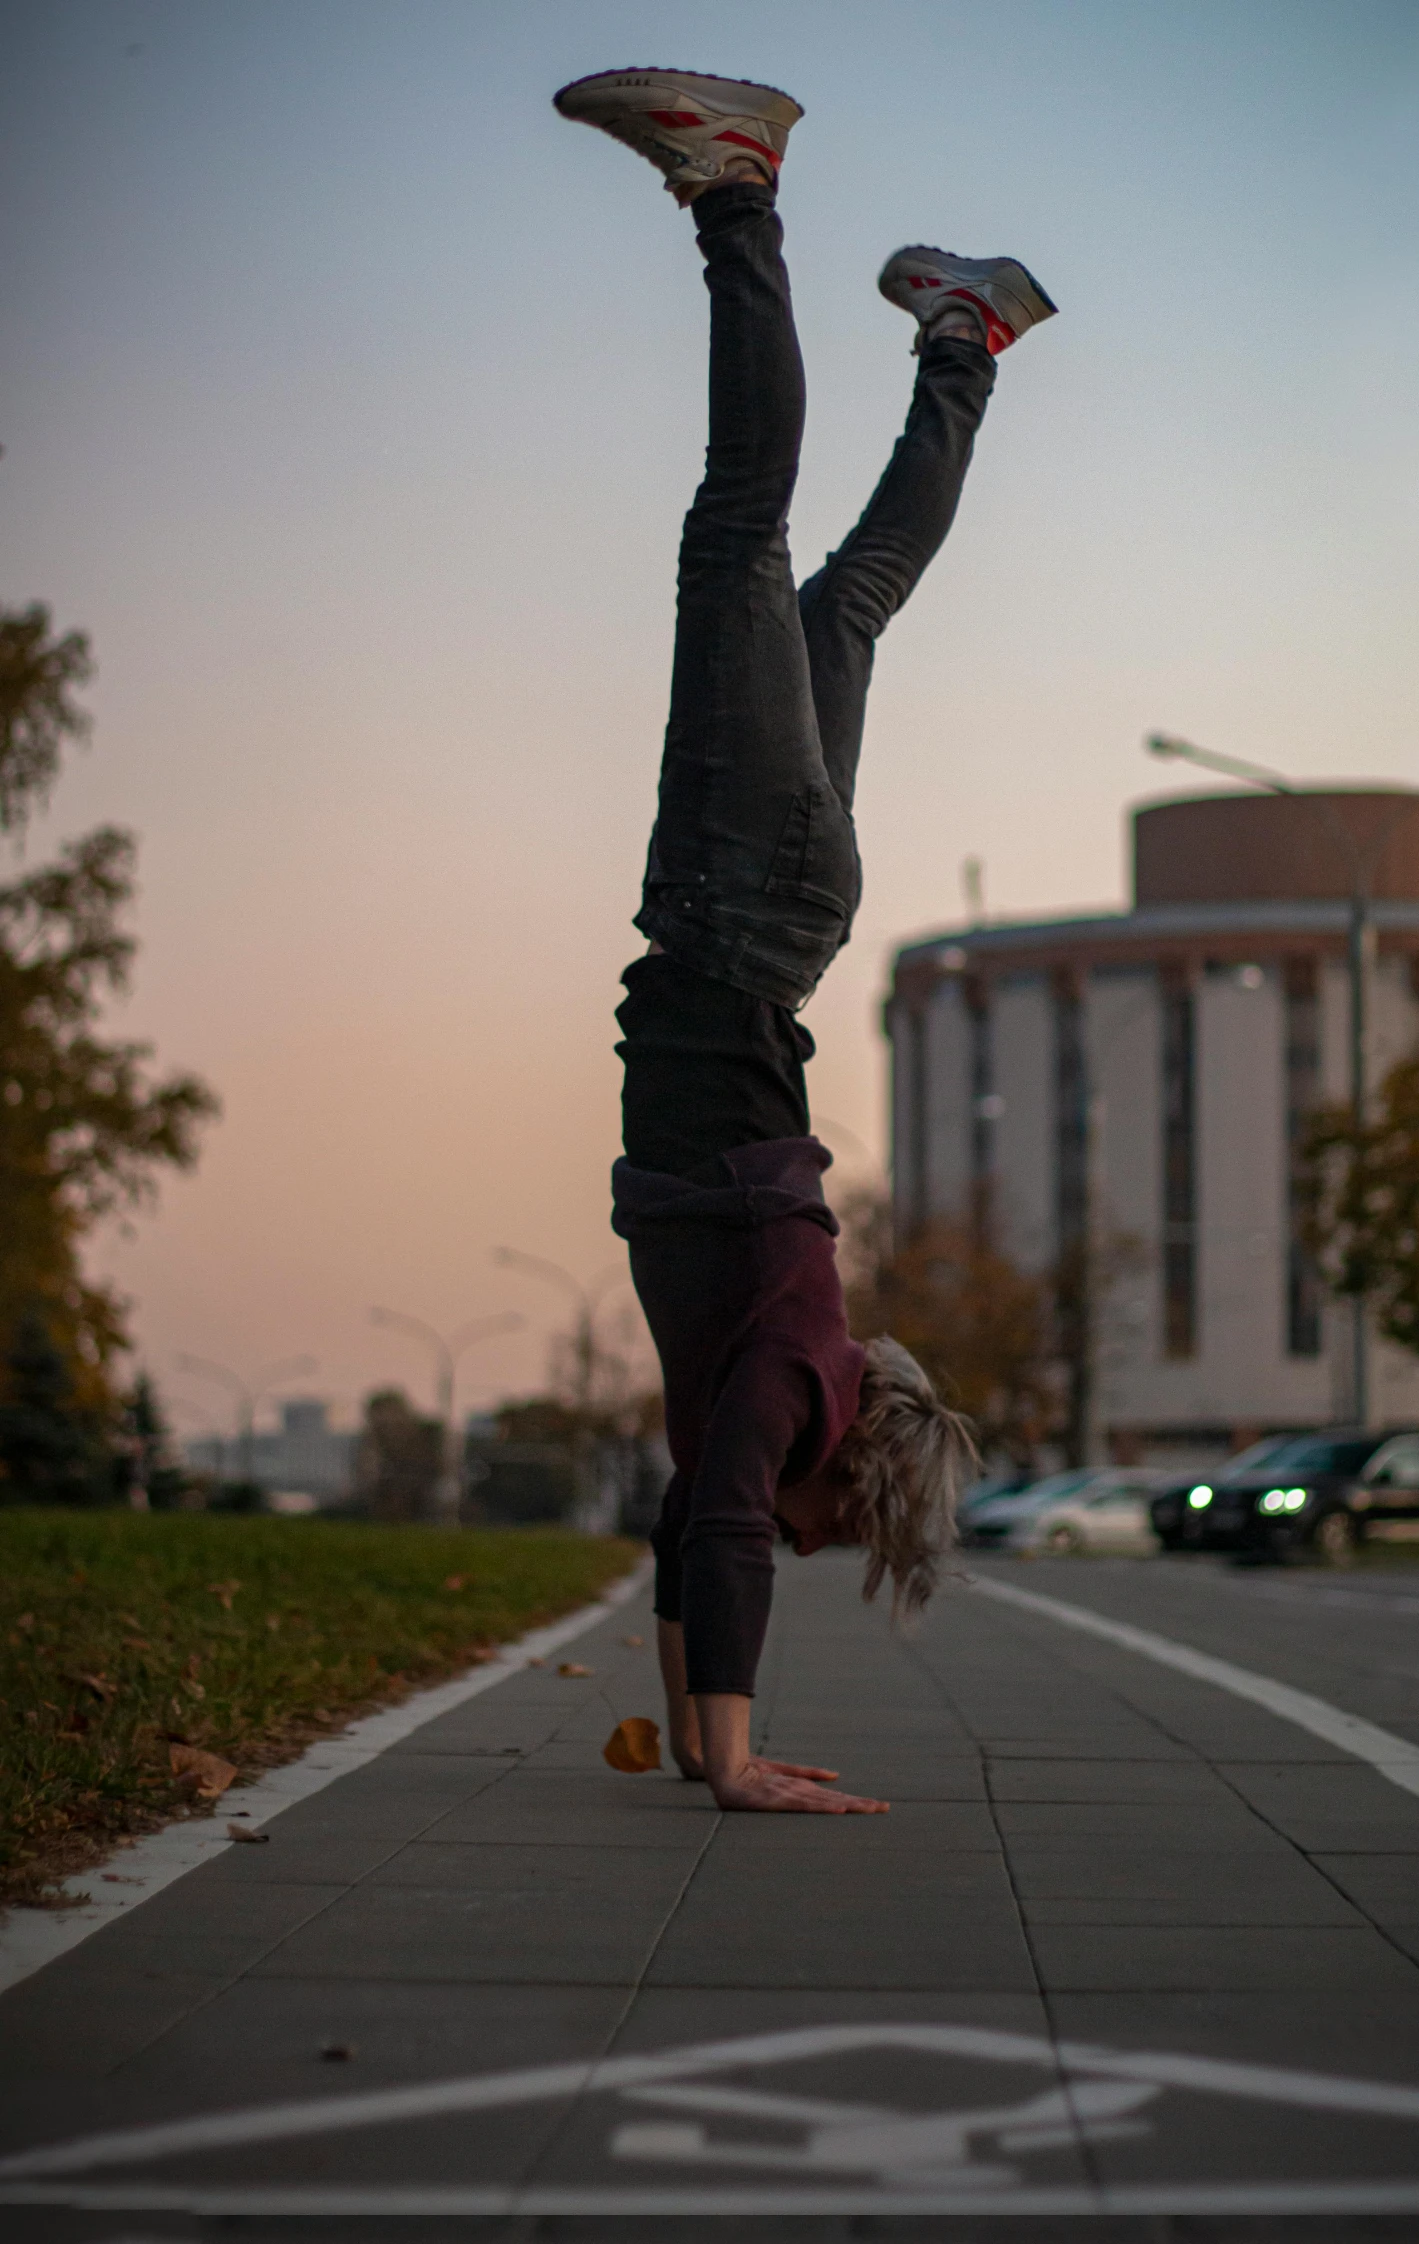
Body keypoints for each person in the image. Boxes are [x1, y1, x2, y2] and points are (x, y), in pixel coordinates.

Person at [554, 69, 1056, 1814]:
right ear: (855, 1470)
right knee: (739, 533)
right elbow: (732, 1534)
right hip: (739, 903)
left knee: (840, 594)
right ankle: (736, 194)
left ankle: (966, 337)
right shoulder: (788, 1377)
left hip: (780, 920)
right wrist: (742, 1766)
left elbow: (690, 1541)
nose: (804, 1530)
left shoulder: (755, 1401)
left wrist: (699, 1747)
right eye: (843, 1531)